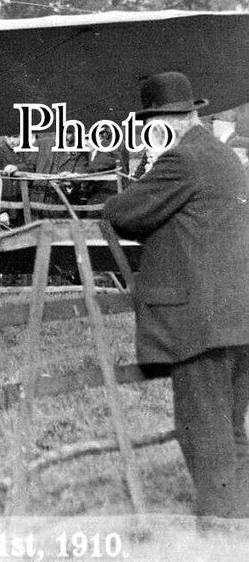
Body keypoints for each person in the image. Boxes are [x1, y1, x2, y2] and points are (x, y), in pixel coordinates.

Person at [104, 71, 249, 523]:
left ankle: (221, 527)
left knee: (203, 433)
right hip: (237, 318)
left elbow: (121, 212)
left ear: (169, 120)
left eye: (152, 122)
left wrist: (153, 166)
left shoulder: (181, 160)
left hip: (199, 322)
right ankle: (239, 517)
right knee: (230, 430)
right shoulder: (225, 157)